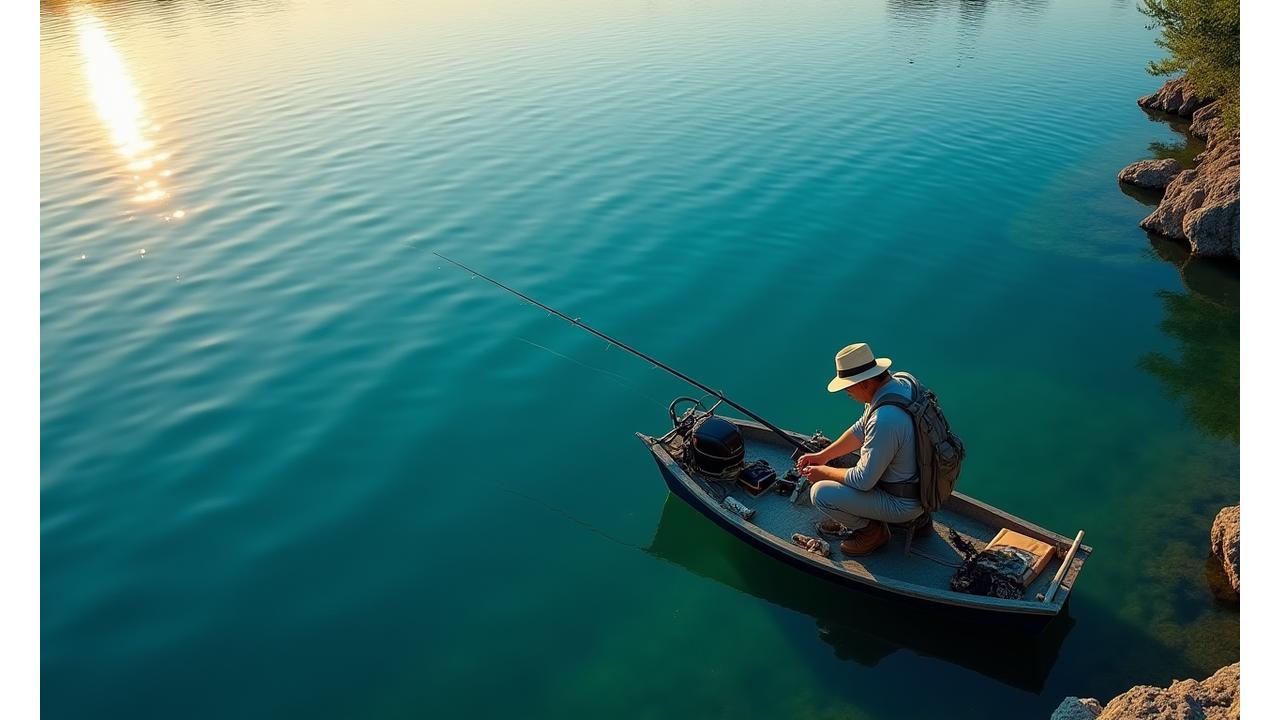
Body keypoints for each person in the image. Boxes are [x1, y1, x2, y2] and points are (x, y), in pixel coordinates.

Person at [796, 342, 924, 556]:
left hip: (903, 503)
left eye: (848, 386)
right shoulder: (902, 384)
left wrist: (822, 473)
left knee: (820, 493)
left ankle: (872, 533)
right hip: (925, 489)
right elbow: (861, 429)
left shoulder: (885, 420)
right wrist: (822, 456)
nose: (846, 392)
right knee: (856, 463)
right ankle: (922, 522)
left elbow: (863, 481)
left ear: (865, 382)